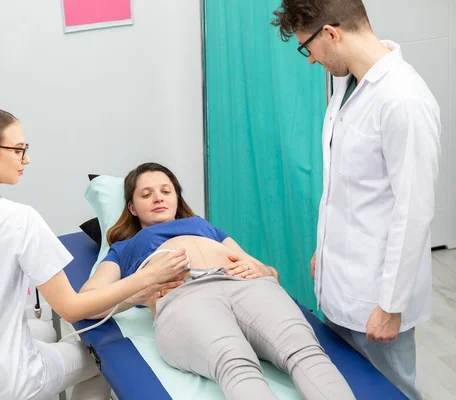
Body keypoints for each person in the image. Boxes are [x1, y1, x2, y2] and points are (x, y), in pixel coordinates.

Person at [0, 108, 188, 400]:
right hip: (8, 380)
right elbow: (71, 309)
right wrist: (145, 279)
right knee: (96, 357)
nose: (25, 160)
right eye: (18, 150)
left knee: (40, 330)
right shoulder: (18, 219)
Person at [271, 2, 441, 399]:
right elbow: (348, 190)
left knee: (389, 392)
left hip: (377, 299)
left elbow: (413, 211)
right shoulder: (347, 88)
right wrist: (325, 249)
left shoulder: (403, 100)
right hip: (340, 284)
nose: (311, 61)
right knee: (343, 388)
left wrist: (391, 304)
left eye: (307, 49)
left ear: (331, 34)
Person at [80, 162, 355, 400]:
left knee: (305, 351)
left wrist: (264, 272)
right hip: (184, 298)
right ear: (132, 208)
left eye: (166, 191)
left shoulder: (204, 227)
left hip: (245, 286)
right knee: (236, 362)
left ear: (176, 199)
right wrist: (136, 293)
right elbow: (85, 303)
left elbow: (268, 272)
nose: (158, 198)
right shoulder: (124, 247)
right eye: (146, 194)